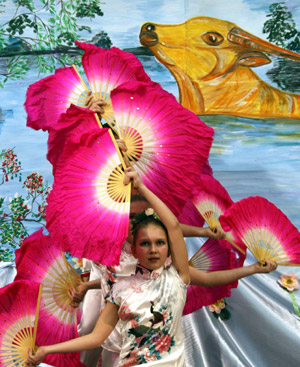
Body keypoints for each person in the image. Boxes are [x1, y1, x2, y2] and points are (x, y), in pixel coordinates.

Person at [27, 166, 190, 366]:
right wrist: (47, 350)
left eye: (159, 243)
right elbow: (94, 337)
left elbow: (173, 226)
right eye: (145, 244)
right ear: (136, 250)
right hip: (120, 332)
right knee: (95, 337)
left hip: (153, 343)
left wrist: (142, 187)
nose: (153, 249)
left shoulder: (175, 277)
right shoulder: (118, 282)